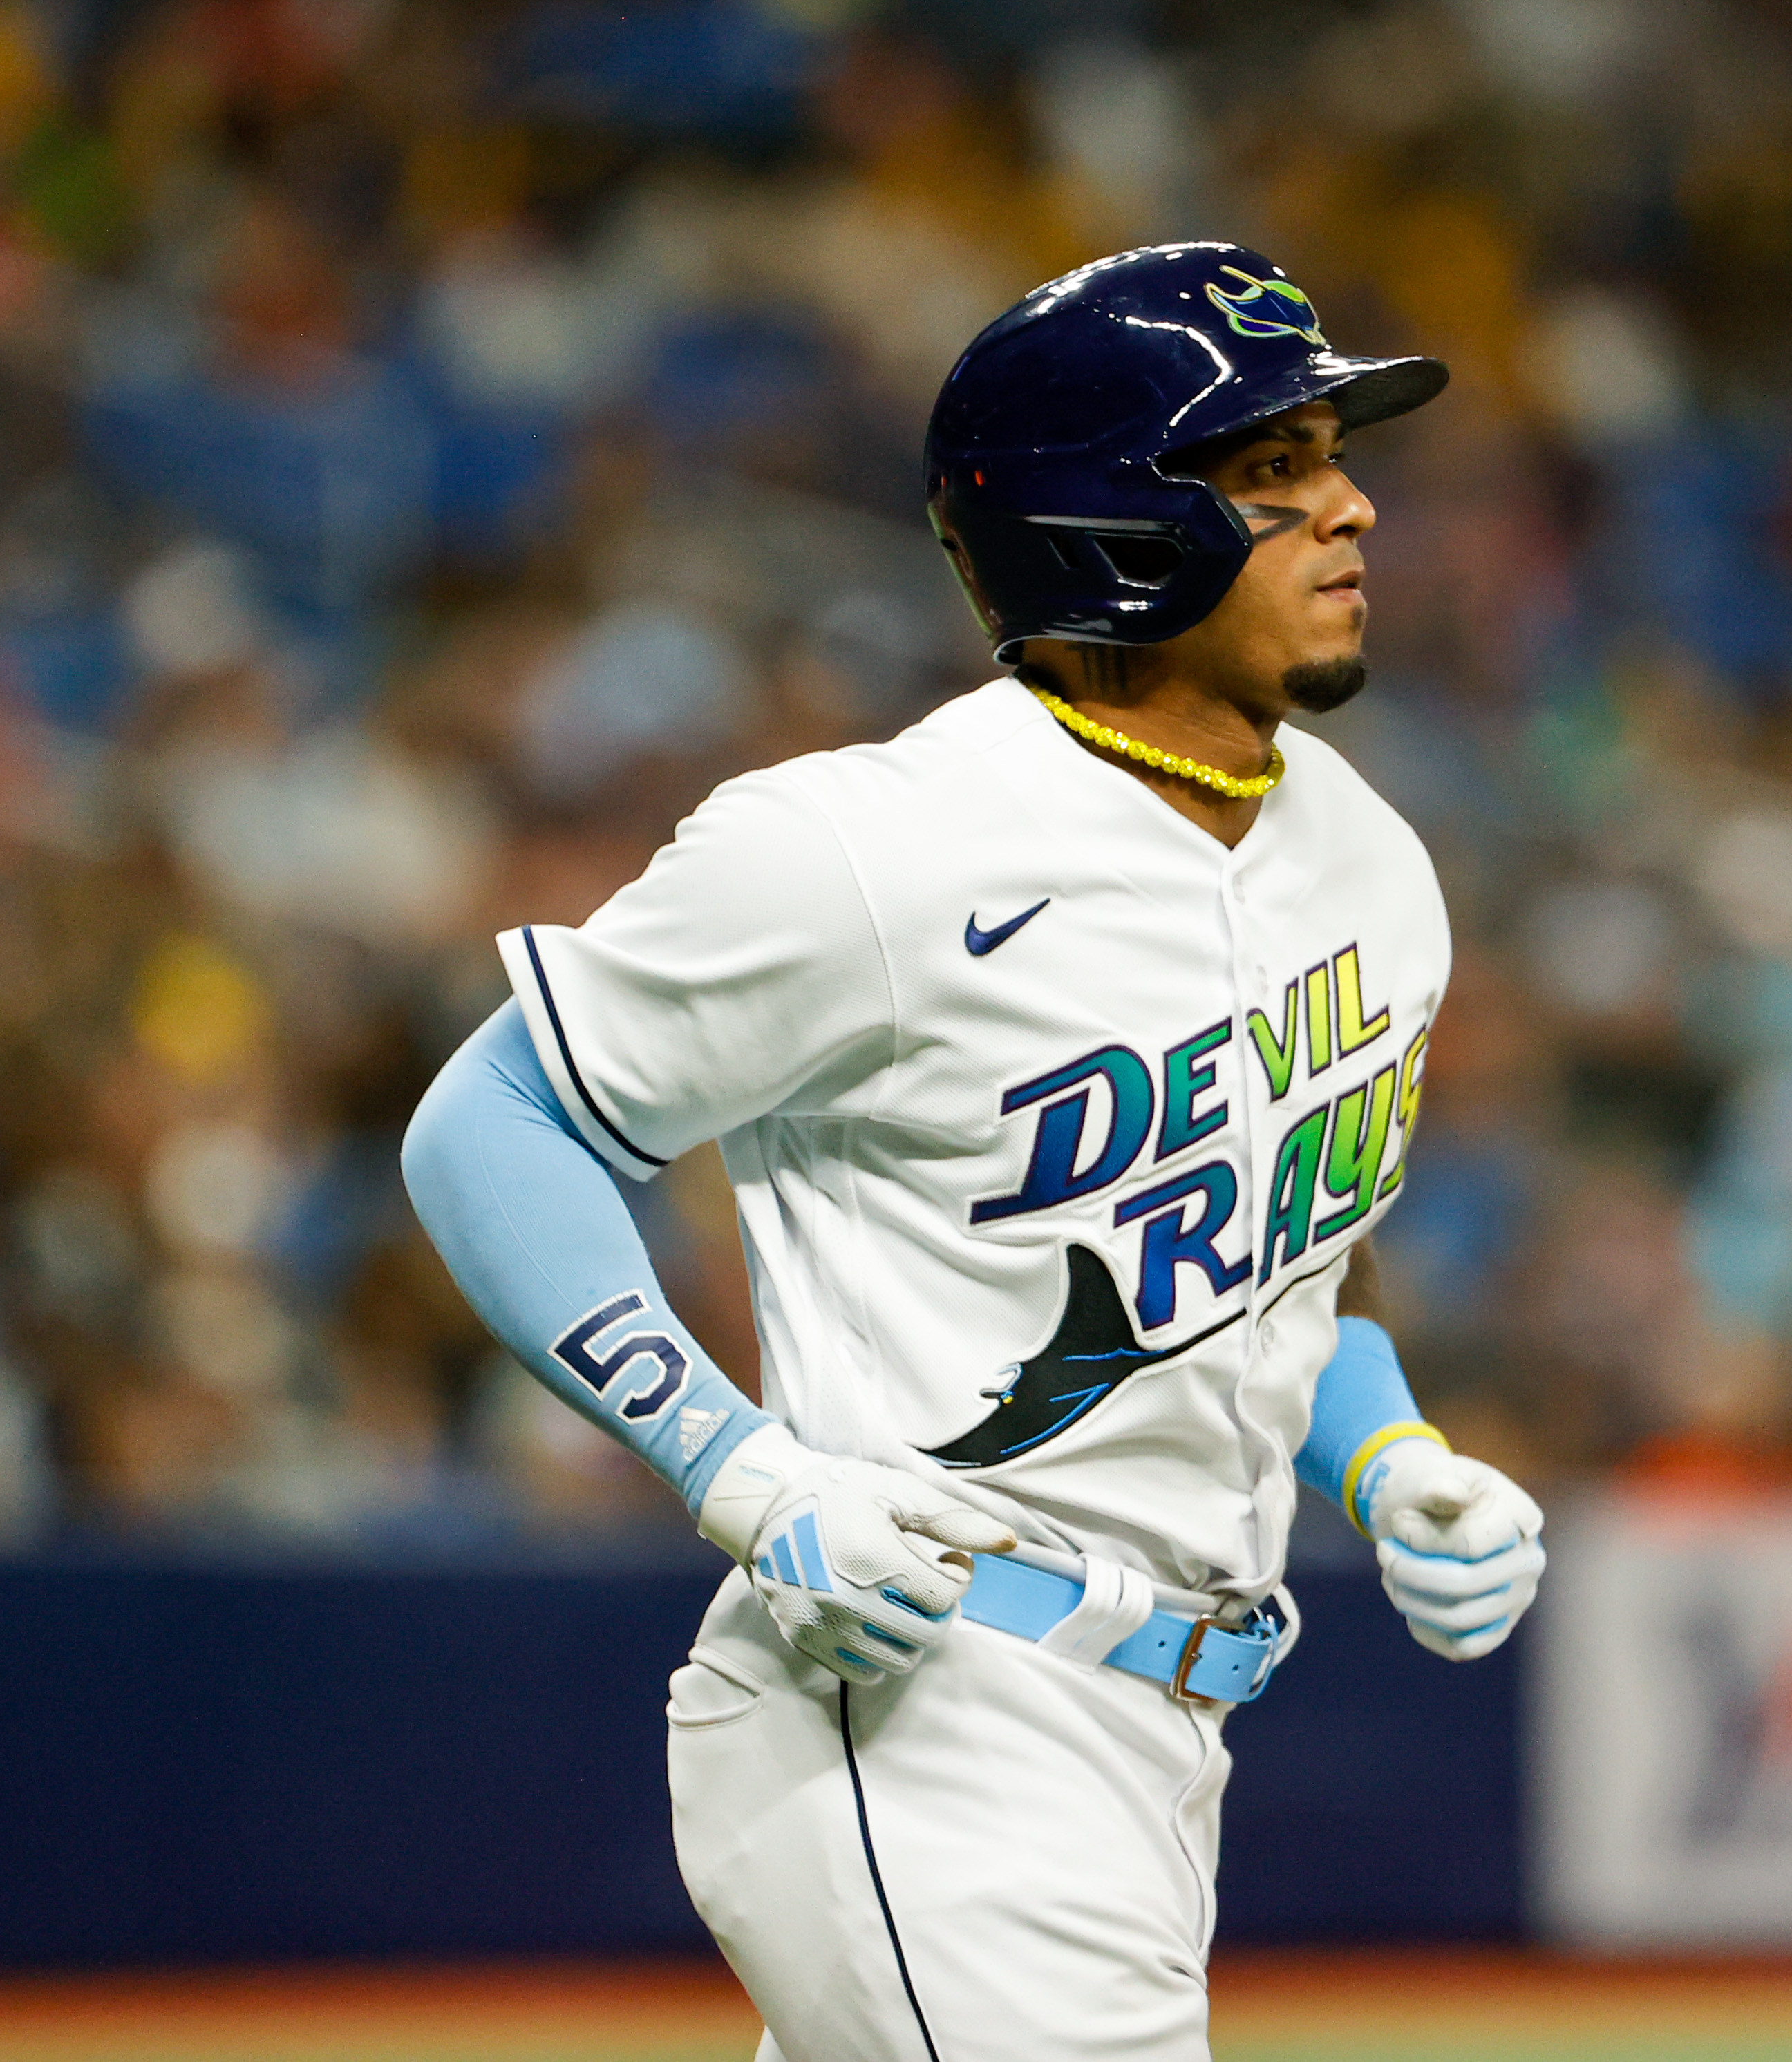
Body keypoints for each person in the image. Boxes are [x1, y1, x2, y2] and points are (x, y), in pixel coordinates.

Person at [399, 243, 1545, 2061]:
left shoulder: (1374, 863)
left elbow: (1293, 1254)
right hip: (924, 1699)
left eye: (1330, 451)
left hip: (1167, 1740)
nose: (1351, 504)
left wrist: (1389, 1449)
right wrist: (740, 1470)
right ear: (1110, 522)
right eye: (1272, 468)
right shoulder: (870, 848)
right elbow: (490, 1123)